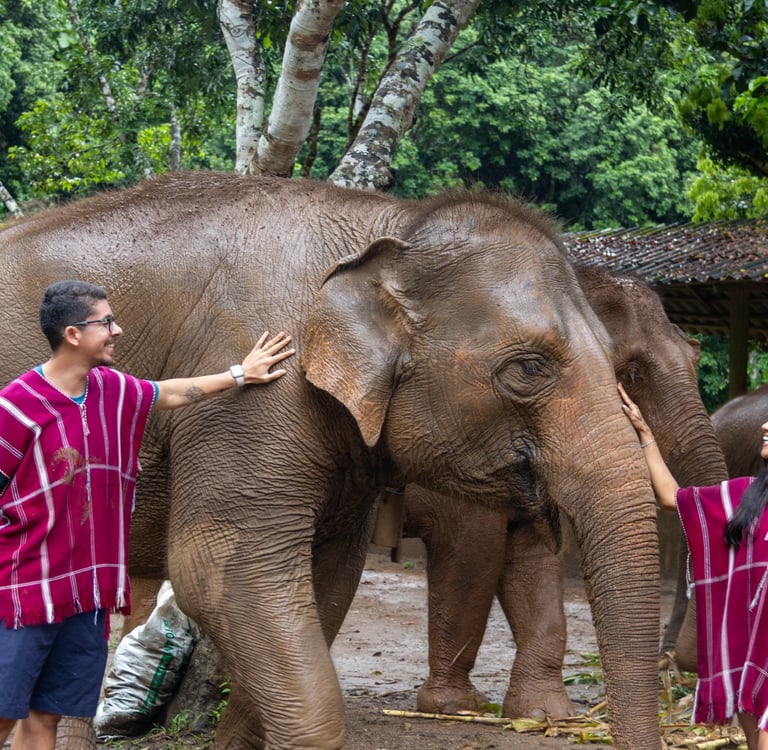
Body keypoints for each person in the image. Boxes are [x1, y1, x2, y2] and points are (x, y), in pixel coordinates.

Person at [0, 280, 295, 750]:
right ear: (74, 334)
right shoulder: (16, 406)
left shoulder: (112, 389)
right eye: (107, 322)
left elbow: (170, 393)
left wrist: (240, 374)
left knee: (45, 717)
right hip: (23, 593)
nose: (118, 330)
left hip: (85, 592)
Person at [619, 382, 768, 750]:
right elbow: (672, 497)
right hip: (751, 662)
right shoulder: (743, 496)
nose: (765, 426)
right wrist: (645, 433)